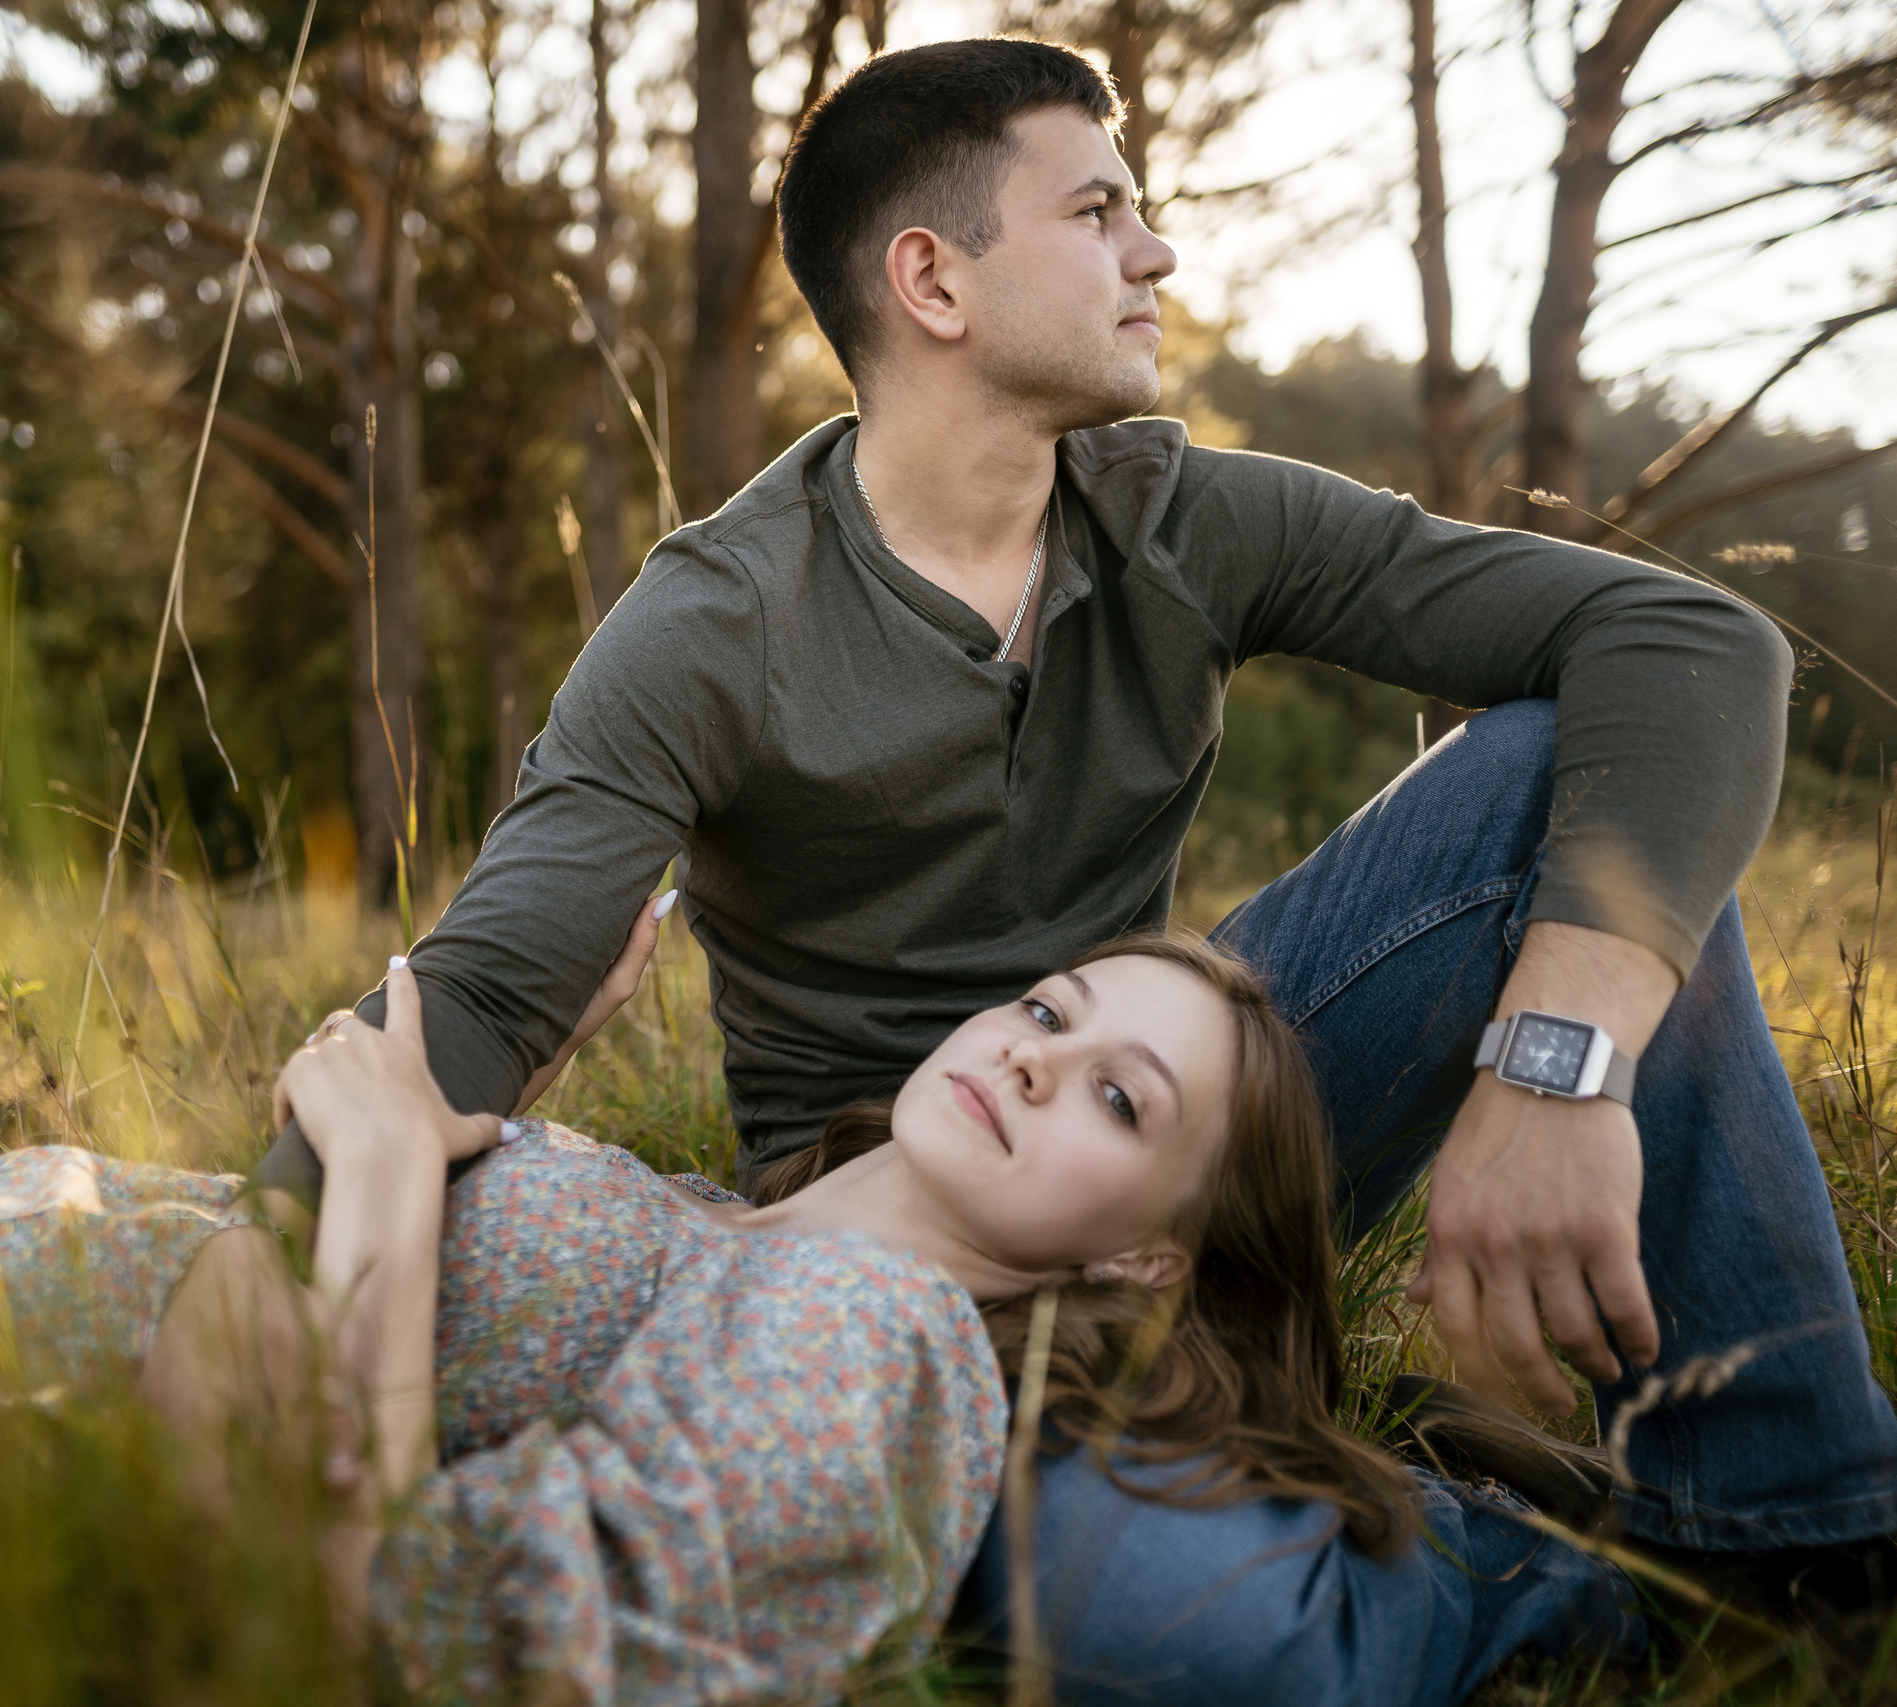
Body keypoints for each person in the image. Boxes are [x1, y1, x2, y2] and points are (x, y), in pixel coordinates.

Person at [252, 31, 1897, 1698]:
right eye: (1098, 212)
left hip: (1153, 1125)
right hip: (908, 1260)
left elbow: (1690, 647)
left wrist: (1558, 1067)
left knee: (1566, 775)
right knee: (1183, 1624)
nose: (1155, 251)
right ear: (934, 283)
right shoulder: (713, 623)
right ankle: (1497, 1555)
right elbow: (476, 1002)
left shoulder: (1184, 516)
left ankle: (1789, 1545)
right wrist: (252, 1312)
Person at [0, 895, 1565, 1700]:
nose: (1036, 1054)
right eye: (1055, 1005)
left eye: (1118, 1098)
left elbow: (384, 1638)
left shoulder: (877, 1360)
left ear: (1142, 1251)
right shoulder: (761, 1241)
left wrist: (392, 1180)